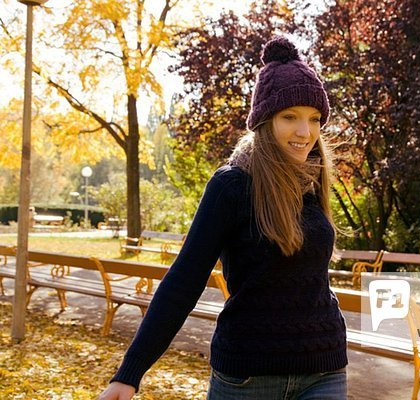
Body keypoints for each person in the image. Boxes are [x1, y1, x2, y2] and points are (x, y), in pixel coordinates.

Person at [98, 36, 348, 400]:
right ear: (265, 121)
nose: (304, 132)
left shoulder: (312, 179)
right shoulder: (232, 186)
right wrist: (130, 372)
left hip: (323, 369)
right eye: (290, 117)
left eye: (314, 119)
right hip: (247, 376)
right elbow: (184, 280)